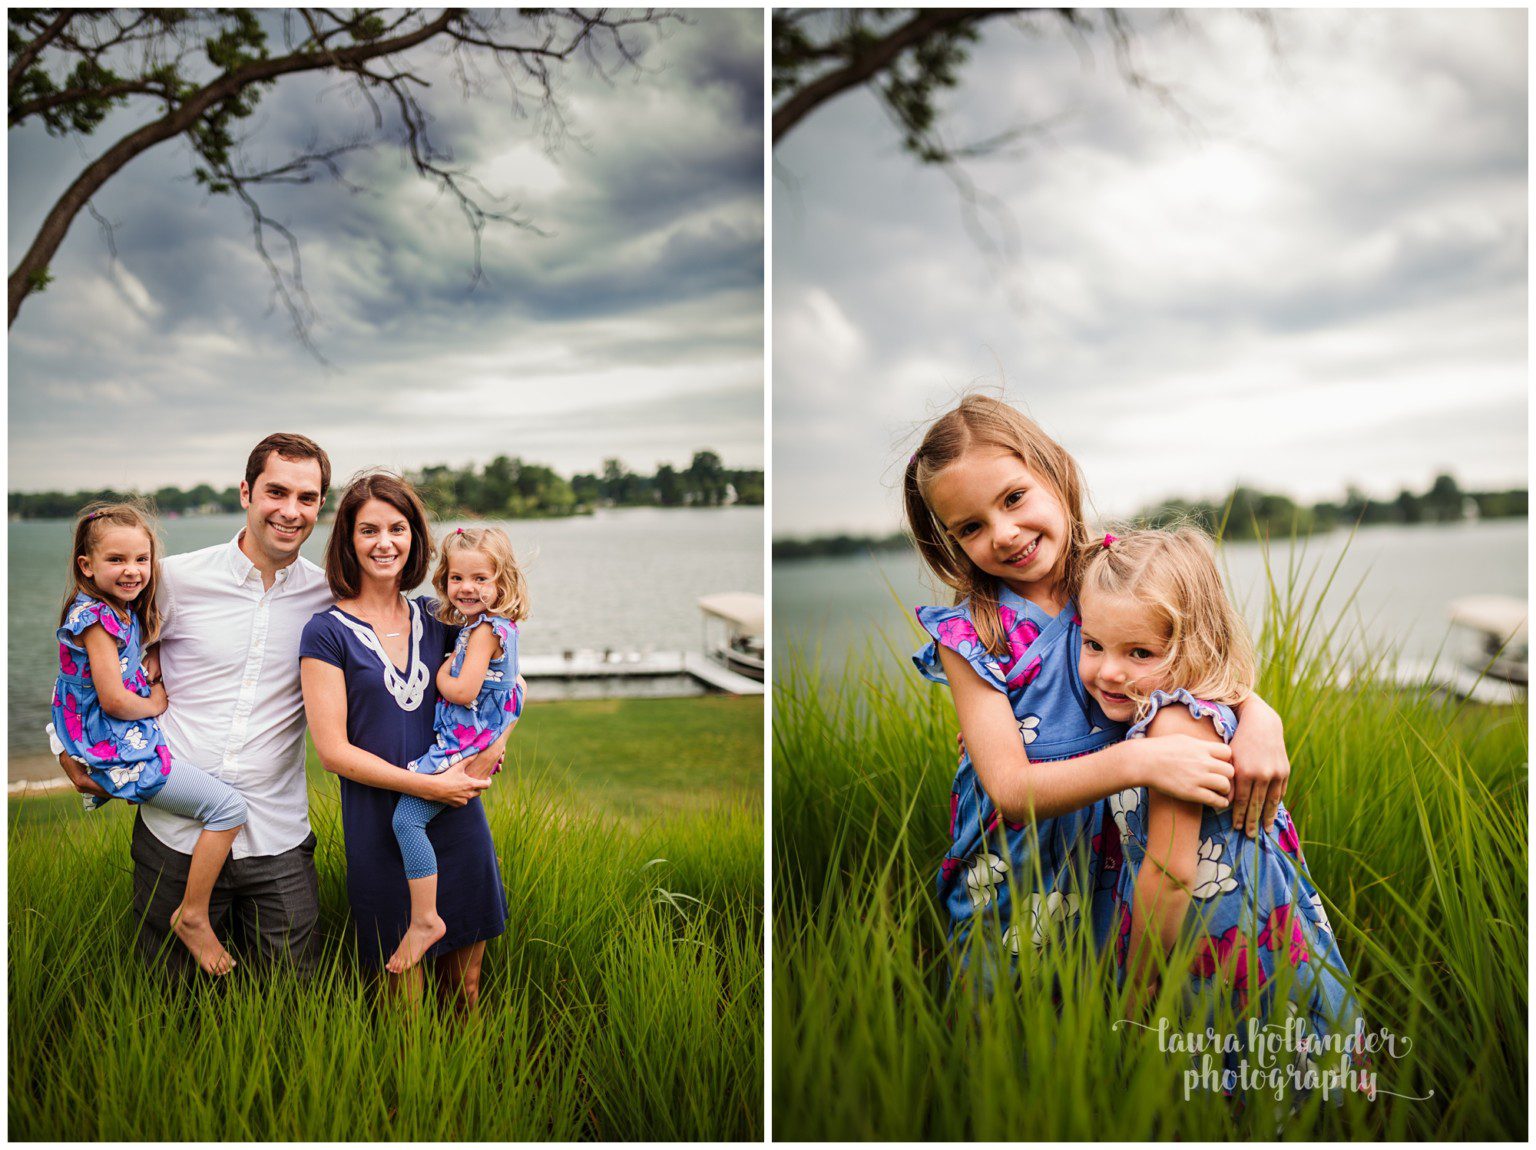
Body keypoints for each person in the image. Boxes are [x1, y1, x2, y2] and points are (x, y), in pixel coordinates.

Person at [903, 394, 1293, 972]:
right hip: (1016, 868)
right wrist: (1143, 763)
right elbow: (1010, 788)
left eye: (1014, 498)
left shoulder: (1112, 579)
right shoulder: (969, 634)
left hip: (1118, 859)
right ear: (950, 540)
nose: (1005, 533)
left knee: (1102, 1019)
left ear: (1054, 473)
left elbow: (1194, 662)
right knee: (1008, 1034)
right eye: (971, 527)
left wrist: (1260, 717)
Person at [53, 433, 356, 976]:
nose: (291, 511)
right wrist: (65, 749)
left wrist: (496, 712)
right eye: (276, 492)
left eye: (307, 498)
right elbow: (86, 660)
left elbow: (400, 641)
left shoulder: (329, 598)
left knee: (295, 999)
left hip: (277, 837)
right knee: (171, 1003)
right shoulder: (173, 580)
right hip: (174, 832)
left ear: (320, 506)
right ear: (246, 492)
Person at [1079, 526, 1364, 1090]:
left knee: (1231, 1071)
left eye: (1139, 652)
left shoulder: (1173, 721)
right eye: (1093, 644)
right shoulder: (1199, 704)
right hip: (1253, 919)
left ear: (1194, 647)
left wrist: (1138, 983)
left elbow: (1170, 871)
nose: (1109, 671)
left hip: (1212, 932)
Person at [300, 473, 509, 1007]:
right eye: (368, 529)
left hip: (456, 819)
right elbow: (332, 752)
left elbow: (506, 682)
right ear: (348, 539)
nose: (384, 541)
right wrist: (427, 785)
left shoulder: (440, 618)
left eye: (397, 527)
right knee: (402, 1004)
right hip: (380, 827)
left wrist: (493, 747)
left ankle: (473, 1089)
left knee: (466, 988)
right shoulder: (325, 632)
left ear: (415, 537)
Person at [53, 501, 249, 975]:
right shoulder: (95, 619)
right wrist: (155, 703)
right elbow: (114, 700)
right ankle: (193, 916)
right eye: (116, 560)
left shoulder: (119, 611)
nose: (132, 571)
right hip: (116, 741)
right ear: (87, 566)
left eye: (141, 560)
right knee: (228, 809)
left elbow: (130, 654)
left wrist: (155, 650)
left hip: (120, 738)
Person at [387, 525, 526, 974]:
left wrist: (444, 672)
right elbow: (515, 687)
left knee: (406, 819)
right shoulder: (485, 627)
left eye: (480, 579)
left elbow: (463, 692)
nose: (467, 588)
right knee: (428, 818)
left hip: (461, 744)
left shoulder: (483, 632)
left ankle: (425, 921)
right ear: (444, 580)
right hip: (473, 739)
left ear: (501, 583)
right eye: (457, 579)